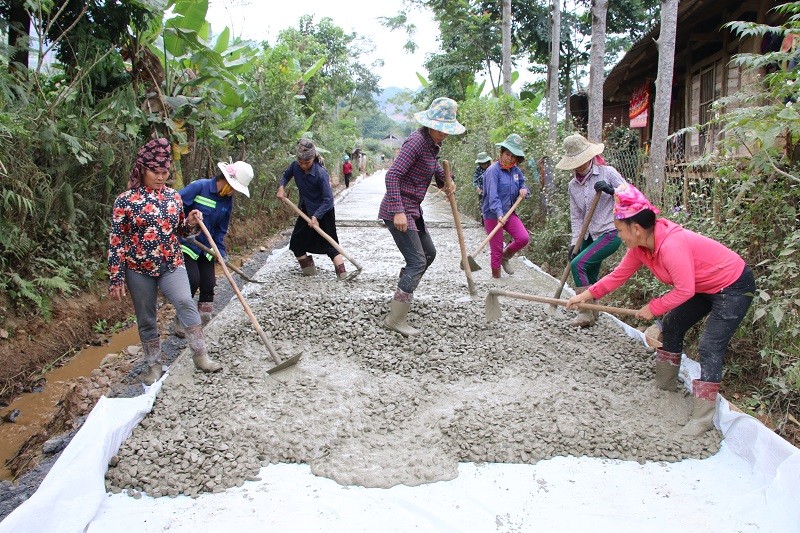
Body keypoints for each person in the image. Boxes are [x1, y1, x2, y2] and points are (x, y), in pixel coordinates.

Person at [566, 183, 755, 436]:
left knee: (709, 346)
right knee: (674, 326)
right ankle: (665, 386)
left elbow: (684, 291)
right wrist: (585, 296)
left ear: (636, 228)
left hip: (732, 285)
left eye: (620, 230)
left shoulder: (671, 245)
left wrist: (652, 309)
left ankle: (702, 418)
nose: (618, 235)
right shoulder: (640, 247)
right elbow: (618, 276)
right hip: (703, 285)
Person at [108, 138, 223, 385]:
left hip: (171, 262)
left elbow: (179, 230)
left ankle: (201, 356)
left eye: (164, 172)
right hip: (138, 268)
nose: (161, 177)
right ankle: (154, 366)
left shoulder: (172, 197)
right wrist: (116, 277)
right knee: (146, 316)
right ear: (142, 170)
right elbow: (117, 240)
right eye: (155, 172)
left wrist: (190, 222)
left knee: (184, 301)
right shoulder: (125, 201)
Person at [378, 97, 465, 335]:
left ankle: (401, 294)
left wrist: (447, 181)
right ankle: (395, 319)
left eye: (447, 130)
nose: (444, 135)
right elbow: (392, 176)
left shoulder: (431, 144)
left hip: (413, 209)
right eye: (441, 129)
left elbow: (432, 167)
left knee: (428, 254)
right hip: (399, 210)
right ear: (430, 124)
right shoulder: (416, 142)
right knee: (417, 261)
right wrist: (398, 211)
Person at [174, 160, 254, 337]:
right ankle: (182, 317)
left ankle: (203, 320)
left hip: (207, 247)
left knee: (209, 284)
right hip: (188, 243)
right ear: (225, 180)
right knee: (193, 280)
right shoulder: (199, 187)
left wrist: (221, 252)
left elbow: (220, 230)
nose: (233, 192)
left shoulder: (227, 201)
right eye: (233, 188)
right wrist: (184, 225)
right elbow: (174, 207)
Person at [556, 133, 628, 327]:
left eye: (582, 160)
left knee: (578, 264)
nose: (580, 165)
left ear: (590, 156)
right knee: (587, 270)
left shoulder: (607, 173)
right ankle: (593, 311)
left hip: (610, 231)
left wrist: (612, 191)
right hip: (588, 234)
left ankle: (585, 311)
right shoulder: (573, 185)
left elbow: (631, 195)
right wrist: (574, 243)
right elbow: (576, 216)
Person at [277, 138, 347, 279]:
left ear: (313, 158)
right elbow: (285, 175)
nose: (303, 166)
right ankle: (310, 273)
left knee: (330, 245)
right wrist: (281, 187)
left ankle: (343, 276)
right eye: (300, 162)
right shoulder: (295, 166)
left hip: (324, 212)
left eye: (306, 163)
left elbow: (328, 200)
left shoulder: (321, 174)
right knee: (297, 243)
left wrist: (316, 216)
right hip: (305, 210)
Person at [480, 134, 530, 279]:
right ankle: (496, 281)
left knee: (523, 238)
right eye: (508, 154)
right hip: (492, 214)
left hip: (509, 212)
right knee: (496, 250)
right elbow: (492, 196)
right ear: (501, 152)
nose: (510, 158)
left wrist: (524, 190)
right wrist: (499, 214)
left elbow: (523, 185)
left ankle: (505, 257)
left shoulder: (515, 171)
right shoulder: (492, 171)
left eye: (514, 156)